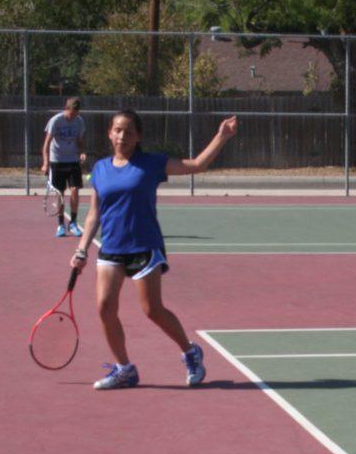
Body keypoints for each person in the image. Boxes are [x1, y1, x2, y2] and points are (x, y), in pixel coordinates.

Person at [71, 109, 238, 390]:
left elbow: (196, 164)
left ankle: (190, 352)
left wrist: (221, 137)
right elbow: (94, 213)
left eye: (128, 131)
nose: (122, 135)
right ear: (110, 133)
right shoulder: (100, 168)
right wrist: (81, 249)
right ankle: (125, 369)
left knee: (152, 310)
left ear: (138, 136)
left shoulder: (151, 163)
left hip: (144, 247)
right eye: (117, 130)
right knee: (104, 308)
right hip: (111, 247)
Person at [42, 97, 87, 237]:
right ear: (66, 109)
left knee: (75, 191)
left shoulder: (79, 121)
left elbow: (80, 141)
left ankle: (73, 223)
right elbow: (46, 144)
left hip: (73, 160)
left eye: (76, 114)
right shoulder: (56, 120)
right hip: (57, 161)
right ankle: (61, 225)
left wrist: (82, 152)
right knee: (60, 194)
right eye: (71, 113)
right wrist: (45, 163)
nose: (73, 116)